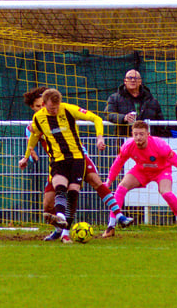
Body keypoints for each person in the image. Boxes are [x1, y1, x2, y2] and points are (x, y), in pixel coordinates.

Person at [22, 87, 132, 241]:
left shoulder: (66, 110)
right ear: (34, 108)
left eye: (43, 105)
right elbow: (32, 141)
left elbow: (95, 118)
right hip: (57, 161)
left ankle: (118, 216)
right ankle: (59, 229)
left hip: (79, 157)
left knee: (93, 182)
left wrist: (100, 138)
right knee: (48, 205)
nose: (43, 108)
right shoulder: (35, 123)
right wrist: (28, 156)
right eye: (38, 106)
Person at [105, 120, 177, 234]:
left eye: (141, 134)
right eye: (135, 134)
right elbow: (117, 164)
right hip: (141, 170)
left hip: (161, 170)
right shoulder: (128, 146)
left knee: (166, 192)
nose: (138, 137)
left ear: (148, 135)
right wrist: (108, 182)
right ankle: (111, 226)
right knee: (121, 187)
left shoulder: (160, 146)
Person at [105, 69, 165, 136]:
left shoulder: (152, 101)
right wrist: (123, 118)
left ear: (140, 81)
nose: (133, 80)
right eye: (130, 78)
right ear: (125, 81)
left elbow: (160, 124)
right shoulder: (114, 98)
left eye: (136, 78)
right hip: (124, 141)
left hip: (148, 142)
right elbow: (108, 115)